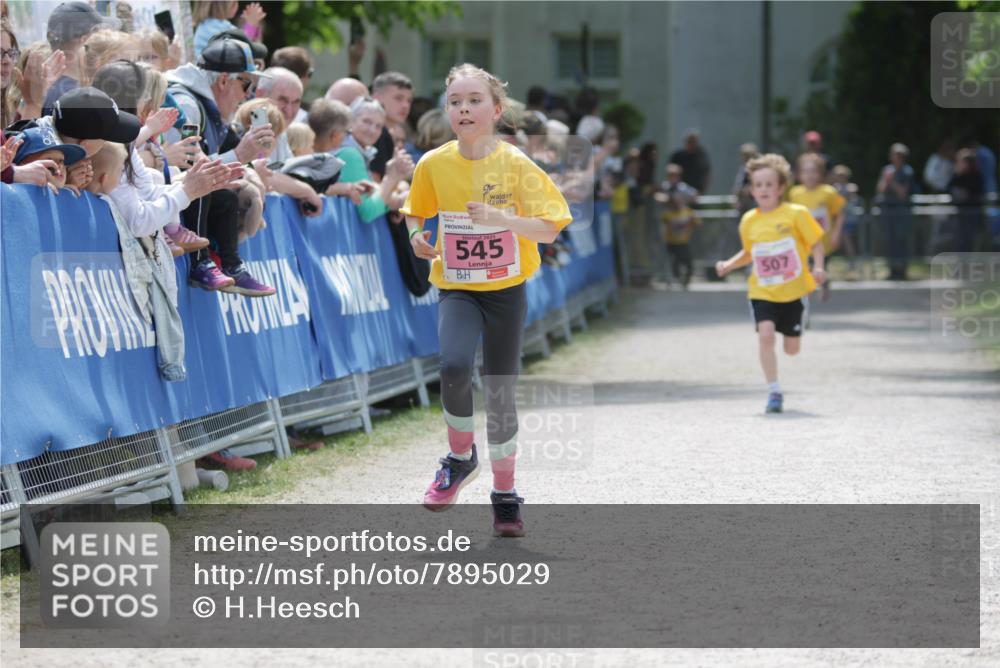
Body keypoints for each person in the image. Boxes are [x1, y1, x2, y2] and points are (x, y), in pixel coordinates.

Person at [401, 63, 572, 537]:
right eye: (455, 101)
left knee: (499, 392)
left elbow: (551, 227)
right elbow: (415, 213)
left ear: (496, 110)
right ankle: (459, 459)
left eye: (474, 100)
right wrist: (417, 237)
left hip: (505, 290)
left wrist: (503, 220)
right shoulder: (432, 163)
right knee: (454, 366)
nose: (464, 109)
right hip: (457, 287)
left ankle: (505, 494)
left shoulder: (517, 165)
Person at [164, 37, 278, 295]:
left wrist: (244, 164)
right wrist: (239, 154)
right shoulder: (187, 104)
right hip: (162, 200)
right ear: (224, 80)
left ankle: (228, 265)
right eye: (247, 83)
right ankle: (201, 262)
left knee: (227, 196)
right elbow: (184, 166)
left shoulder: (208, 106)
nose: (249, 94)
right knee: (215, 191)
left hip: (176, 199)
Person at [715, 154, 826, 414]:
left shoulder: (796, 214)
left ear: (780, 188)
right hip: (762, 290)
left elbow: (816, 243)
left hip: (794, 291)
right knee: (765, 336)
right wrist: (729, 264)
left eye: (769, 184)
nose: (763, 190)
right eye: (758, 185)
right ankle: (774, 390)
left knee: (792, 349)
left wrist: (819, 267)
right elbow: (749, 253)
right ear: (752, 190)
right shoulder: (749, 220)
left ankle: (798, 323)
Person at [42, 1, 119, 116]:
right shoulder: (75, 95)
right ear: (85, 40)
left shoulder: (46, 87)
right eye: (98, 37)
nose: (101, 41)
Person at [788, 152, 845, 302]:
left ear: (821, 174)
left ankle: (823, 283)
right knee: (804, 267)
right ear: (799, 174)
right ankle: (807, 290)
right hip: (802, 241)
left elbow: (839, 214)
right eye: (805, 172)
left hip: (823, 241)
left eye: (813, 171)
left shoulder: (829, 192)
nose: (810, 176)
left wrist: (836, 234)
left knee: (820, 266)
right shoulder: (795, 193)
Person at [875, 143, 916, 280]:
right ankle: (892, 270)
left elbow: (903, 193)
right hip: (887, 211)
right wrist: (886, 180)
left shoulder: (907, 172)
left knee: (901, 240)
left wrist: (891, 181)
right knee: (889, 240)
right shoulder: (887, 170)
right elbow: (880, 189)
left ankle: (902, 270)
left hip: (901, 211)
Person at [658, 164, 701, 288]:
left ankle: (686, 278)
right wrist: (667, 200)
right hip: (670, 238)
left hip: (683, 239)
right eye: (671, 175)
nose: (673, 178)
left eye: (675, 175)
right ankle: (673, 278)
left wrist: (683, 203)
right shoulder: (665, 188)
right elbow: (658, 197)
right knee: (673, 260)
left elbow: (695, 196)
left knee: (687, 259)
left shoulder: (683, 189)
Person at [192, 1, 265, 60]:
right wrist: (251, 24)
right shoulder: (220, 27)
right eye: (235, 2)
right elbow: (243, 49)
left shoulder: (205, 25)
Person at [948, 148, 985, 253]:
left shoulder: (976, 176)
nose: (957, 164)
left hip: (972, 214)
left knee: (969, 241)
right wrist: (957, 175)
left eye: (960, 161)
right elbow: (949, 188)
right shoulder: (957, 175)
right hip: (959, 214)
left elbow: (970, 193)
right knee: (958, 241)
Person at [831, 165, 861, 275]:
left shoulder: (850, 187)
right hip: (837, 220)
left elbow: (852, 199)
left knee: (847, 240)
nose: (840, 177)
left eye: (842, 175)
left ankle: (852, 263)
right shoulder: (834, 188)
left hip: (848, 219)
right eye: (838, 175)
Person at [669, 129, 710, 193]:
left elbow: (707, 173)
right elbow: (670, 170)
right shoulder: (677, 156)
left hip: (697, 192)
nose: (692, 143)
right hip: (679, 192)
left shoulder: (701, 156)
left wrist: (704, 189)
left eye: (694, 141)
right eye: (690, 141)